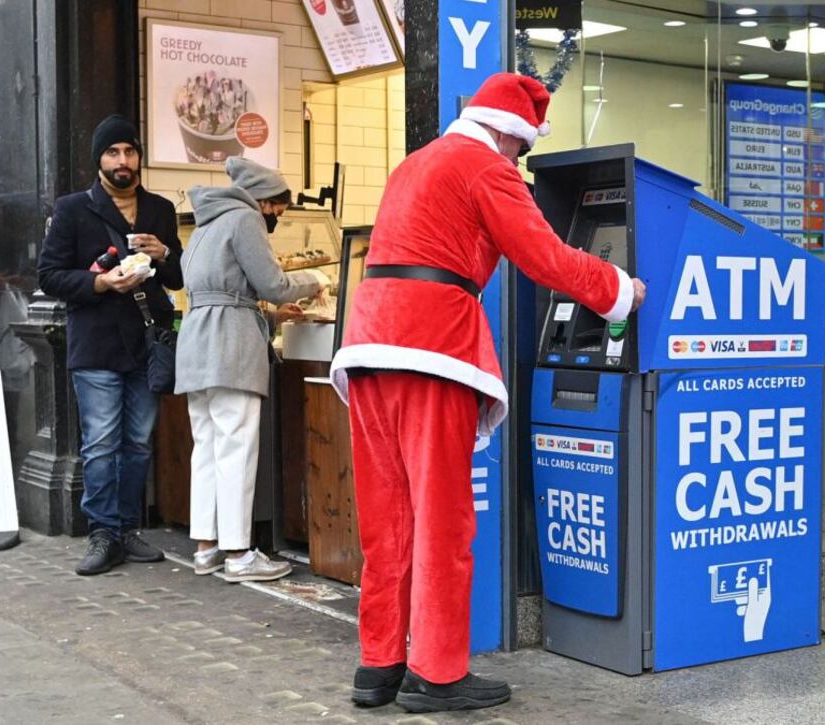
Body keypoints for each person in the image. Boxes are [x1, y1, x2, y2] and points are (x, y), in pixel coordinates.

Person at [329, 73, 648, 712]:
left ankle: (379, 665)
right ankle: (439, 673)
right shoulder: (484, 167)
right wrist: (619, 288)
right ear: (509, 129)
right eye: (522, 149)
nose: (519, 160)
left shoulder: (415, 163)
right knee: (444, 516)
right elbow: (547, 258)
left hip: (369, 346)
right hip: (431, 347)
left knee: (387, 515)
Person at [38, 114, 183, 575]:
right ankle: (102, 533)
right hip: (97, 342)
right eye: (112, 152)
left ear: (139, 156)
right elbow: (49, 275)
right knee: (101, 443)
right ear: (99, 160)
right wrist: (101, 285)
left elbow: (178, 279)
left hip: (147, 341)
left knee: (138, 443)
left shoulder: (159, 208)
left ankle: (127, 529)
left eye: (130, 151)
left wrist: (167, 255)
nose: (123, 161)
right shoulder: (73, 208)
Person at [175, 158, 325, 582]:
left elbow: (219, 291)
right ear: (263, 200)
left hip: (197, 341)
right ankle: (239, 554)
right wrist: (315, 280)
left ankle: (206, 547)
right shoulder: (245, 218)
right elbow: (273, 283)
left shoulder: (206, 222)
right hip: (230, 346)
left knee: (205, 448)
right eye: (278, 206)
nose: (279, 214)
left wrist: (271, 318)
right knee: (236, 448)